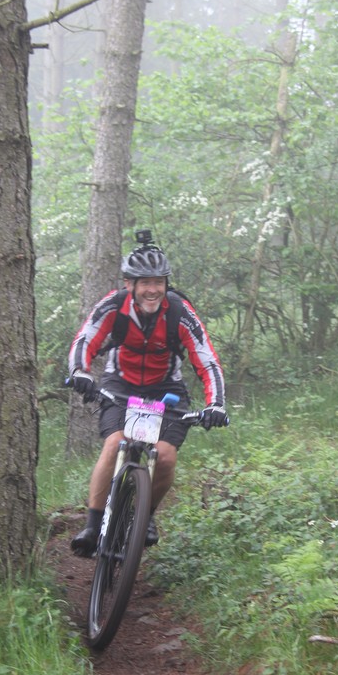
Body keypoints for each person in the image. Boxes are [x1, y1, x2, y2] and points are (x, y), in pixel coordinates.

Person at [68, 230, 228, 556]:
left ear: (166, 284)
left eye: (158, 282)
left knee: (165, 457)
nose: (152, 289)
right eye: (145, 283)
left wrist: (216, 404)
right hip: (121, 383)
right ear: (129, 284)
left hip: (166, 389)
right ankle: (93, 524)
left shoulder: (180, 312)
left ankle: (145, 516)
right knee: (116, 443)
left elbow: (207, 360)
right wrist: (79, 372)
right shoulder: (113, 306)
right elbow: (86, 339)